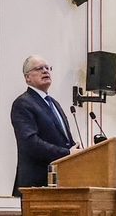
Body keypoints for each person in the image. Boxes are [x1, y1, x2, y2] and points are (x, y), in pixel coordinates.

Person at [10, 55, 77, 195]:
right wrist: (67, 154)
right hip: (36, 184)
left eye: (48, 68)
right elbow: (30, 143)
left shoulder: (54, 103)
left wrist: (77, 152)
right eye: (39, 68)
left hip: (62, 181)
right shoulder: (23, 103)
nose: (45, 71)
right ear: (27, 77)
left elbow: (64, 140)